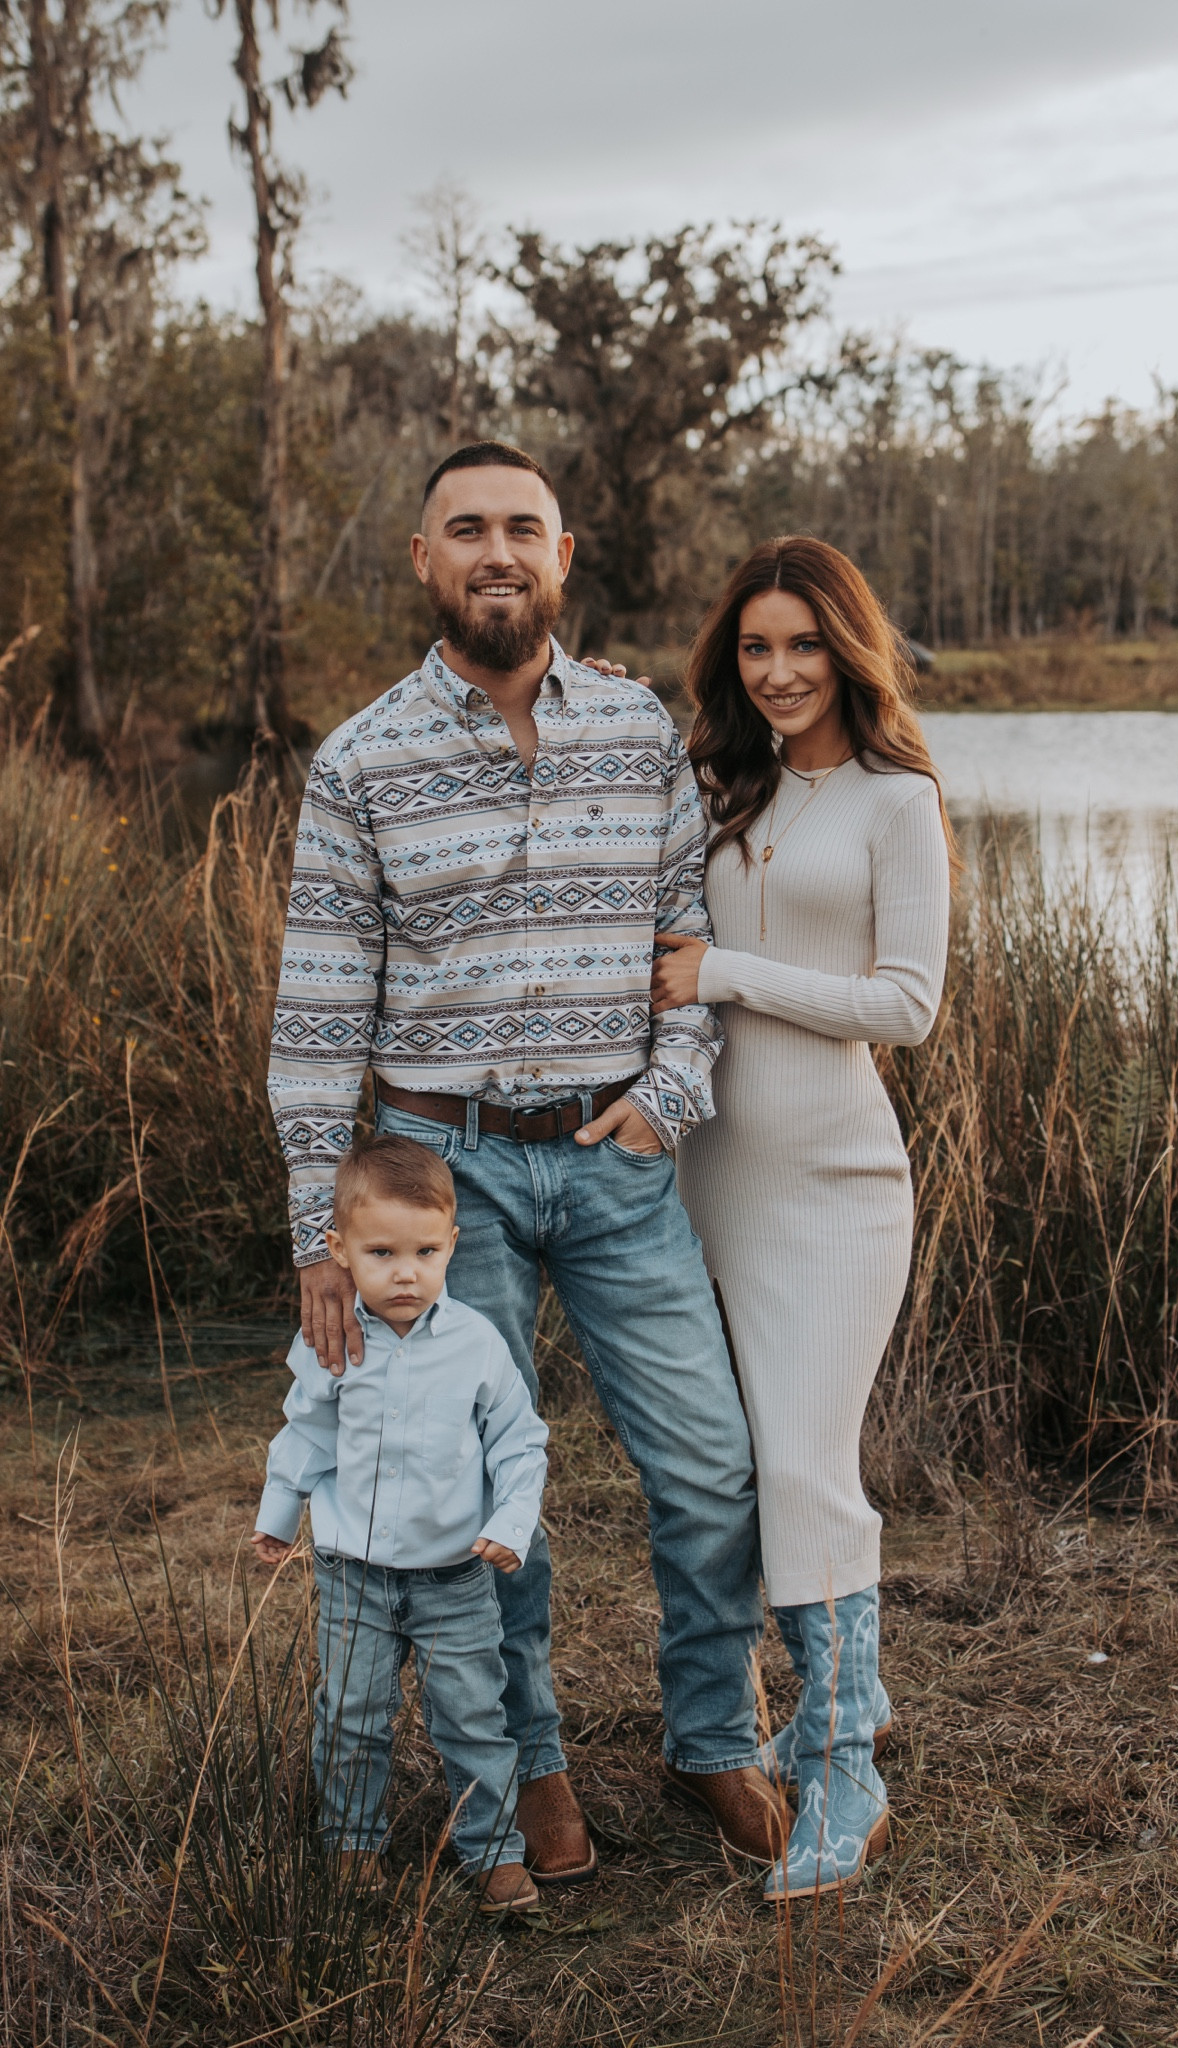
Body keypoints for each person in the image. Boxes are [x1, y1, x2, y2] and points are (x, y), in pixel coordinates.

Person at [266, 441, 788, 1883]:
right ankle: (530, 1763)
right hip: (445, 1173)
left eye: (521, 528)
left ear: (561, 556)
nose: (495, 551)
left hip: (618, 1159)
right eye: (465, 529)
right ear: (423, 559)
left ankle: (713, 1738)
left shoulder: (636, 729)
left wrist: (667, 1096)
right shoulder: (359, 761)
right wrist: (320, 1234)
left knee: (709, 1465)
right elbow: (316, 1021)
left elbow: (686, 944)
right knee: (483, 1483)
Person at [650, 535, 953, 1903]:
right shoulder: (724, 786)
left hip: (835, 1186)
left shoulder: (897, 800)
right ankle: (849, 1696)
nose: (779, 672)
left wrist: (728, 971)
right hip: (708, 1178)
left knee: (804, 1470)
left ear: (849, 648)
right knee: (741, 1465)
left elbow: (906, 1005)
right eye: (755, 647)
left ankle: (843, 1773)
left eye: (804, 645)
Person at [251, 1134, 549, 1912]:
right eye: (381, 1253)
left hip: (455, 1574)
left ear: (451, 1244)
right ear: (339, 1250)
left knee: (474, 1716)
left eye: (425, 1251)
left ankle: (492, 1850)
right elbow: (307, 1431)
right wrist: (280, 1511)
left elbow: (519, 1443)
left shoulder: (477, 1344)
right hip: (354, 1573)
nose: (406, 1272)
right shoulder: (332, 1341)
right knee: (351, 1713)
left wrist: (512, 1521)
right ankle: (352, 1843)